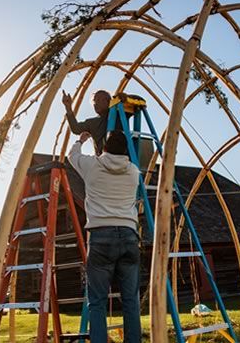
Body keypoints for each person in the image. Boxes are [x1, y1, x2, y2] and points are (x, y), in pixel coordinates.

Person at [68, 130, 141, 343]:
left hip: (101, 237)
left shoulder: (93, 165)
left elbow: (72, 156)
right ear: (126, 150)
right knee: (130, 301)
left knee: (98, 301)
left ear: (105, 149)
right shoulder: (134, 172)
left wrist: (81, 140)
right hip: (128, 235)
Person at [62, 89, 111, 155]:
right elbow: (76, 128)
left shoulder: (121, 112)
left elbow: (129, 104)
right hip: (102, 161)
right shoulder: (92, 123)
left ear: (108, 101)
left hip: (123, 160)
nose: (95, 103)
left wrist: (124, 98)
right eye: (94, 101)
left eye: (99, 100)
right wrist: (68, 107)